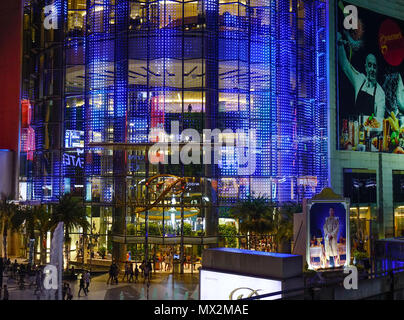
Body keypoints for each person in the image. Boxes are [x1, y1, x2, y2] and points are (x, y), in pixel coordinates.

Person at [337, 31, 385, 119]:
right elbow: (345, 65)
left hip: (370, 131)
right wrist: (339, 43)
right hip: (355, 128)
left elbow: (379, 122)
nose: (372, 70)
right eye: (370, 65)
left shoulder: (380, 93)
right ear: (366, 67)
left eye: (374, 66)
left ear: (377, 69)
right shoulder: (360, 79)